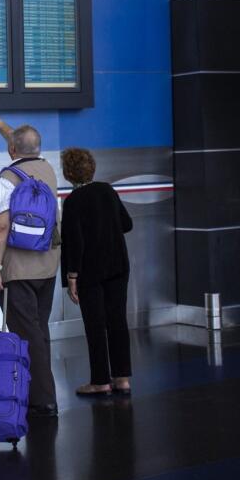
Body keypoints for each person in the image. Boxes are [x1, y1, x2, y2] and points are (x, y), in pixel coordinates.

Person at [0, 103, 61, 418]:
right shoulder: (47, 170)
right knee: (39, 330)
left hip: (15, 270)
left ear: (12, 149)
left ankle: (43, 401)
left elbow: (1, 226)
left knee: (27, 334)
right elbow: (20, 143)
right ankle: (42, 394)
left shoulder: (7, 180)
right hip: (46, 265)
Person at [60, 147, 133, 396]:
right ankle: (122, 378)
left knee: (95, 325)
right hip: (118, 265)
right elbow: (127, 224)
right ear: (91, 168)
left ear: (68, 174)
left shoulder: (72, 202)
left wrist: (71, 277)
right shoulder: (108, 190)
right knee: (118, 321)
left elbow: (75, 243)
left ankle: (100, 381)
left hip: (90, 272)